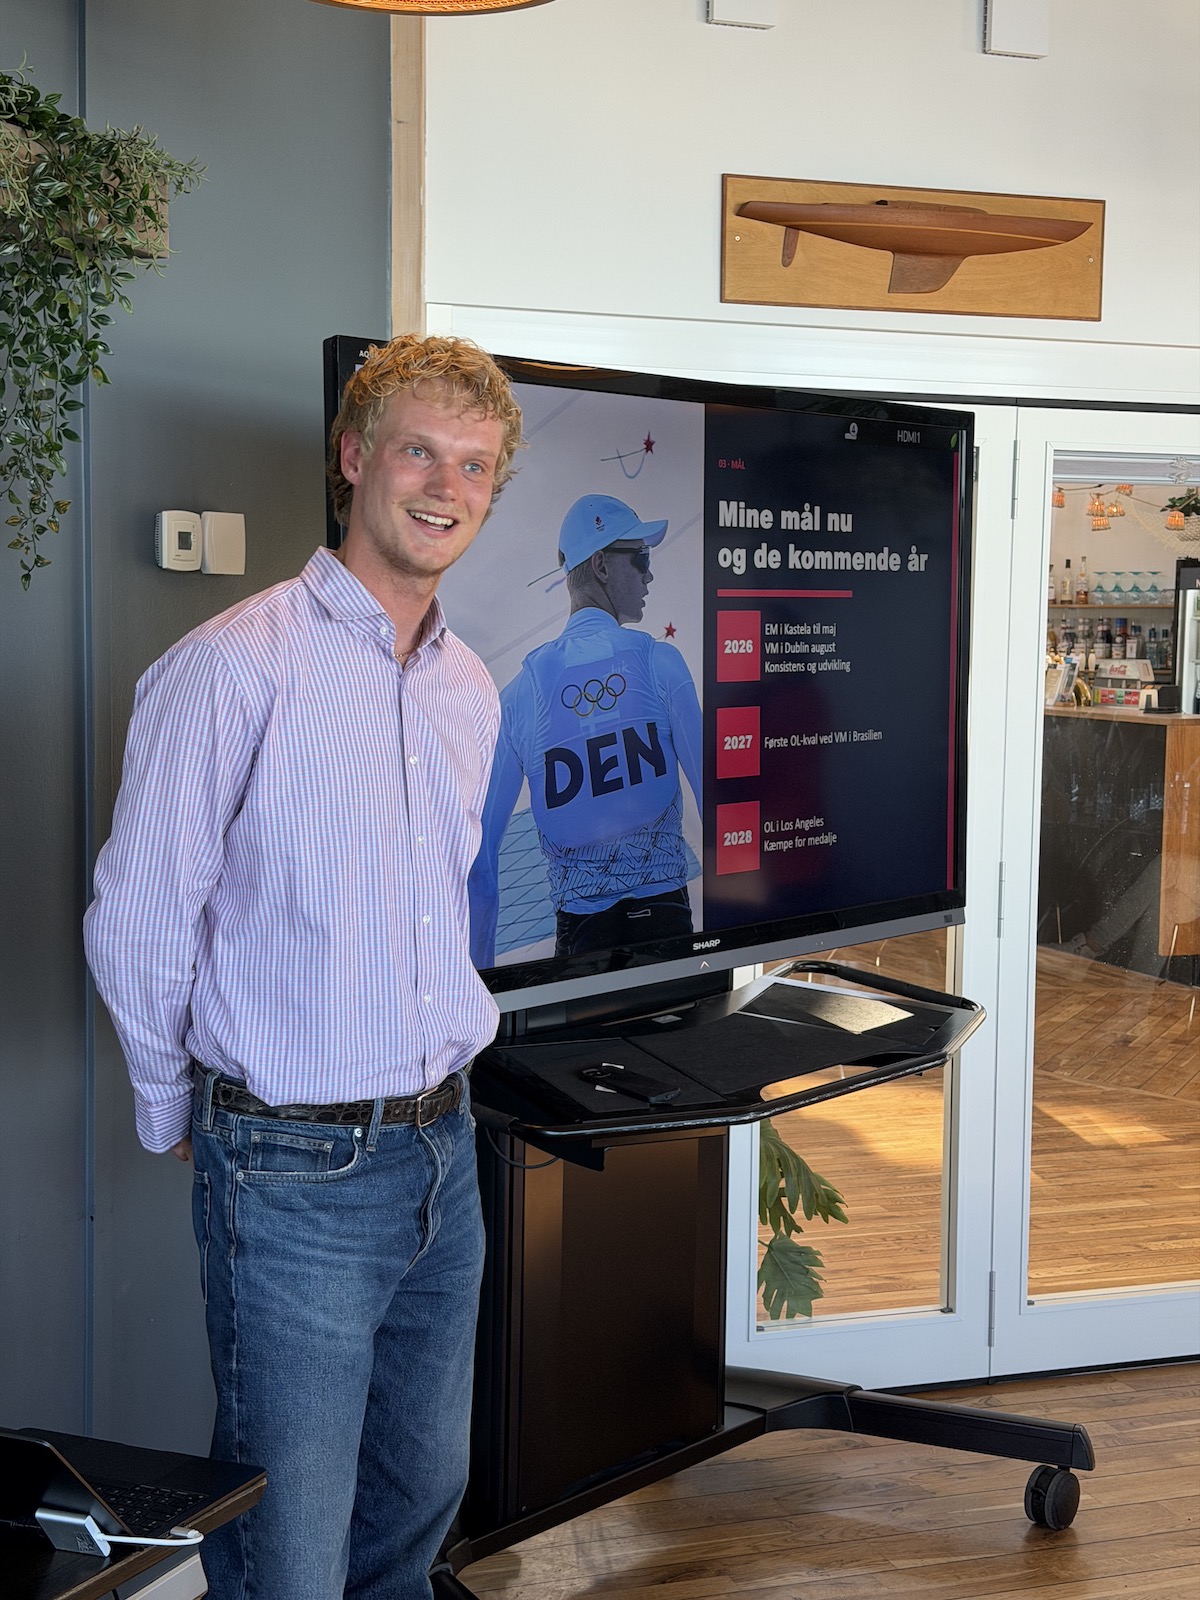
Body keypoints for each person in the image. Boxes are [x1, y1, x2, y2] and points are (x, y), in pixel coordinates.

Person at [83, 335, 524, 1600]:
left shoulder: (469, 687)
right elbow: (138, 914)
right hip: (290, 1169)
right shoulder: (233, 664)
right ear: (353, 457)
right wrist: (172, 1106)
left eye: (475, 465)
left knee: (417, 1501)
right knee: (290, 1545)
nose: (445, 486)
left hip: (444, 1146)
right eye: (419, 451)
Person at [469, 493, 702, 966]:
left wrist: (482, 979)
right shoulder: (661, 664)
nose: (649, 574)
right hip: (667, 932)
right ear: (600, 565)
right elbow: (722, 810)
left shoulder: (519, 697)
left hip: (579, 946)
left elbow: (479, 861)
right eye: (640, 558)